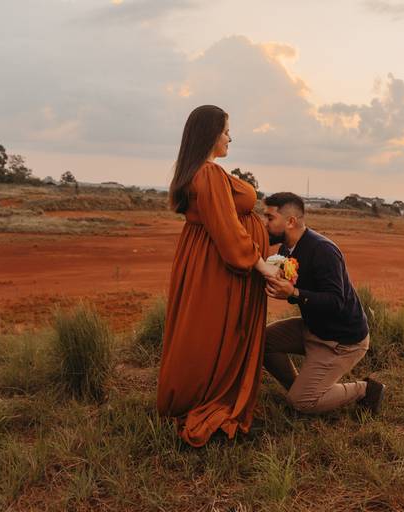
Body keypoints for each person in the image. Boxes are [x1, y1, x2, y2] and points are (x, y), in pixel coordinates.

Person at [157, 105, 281, 447]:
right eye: (227, 130)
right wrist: (261, 264)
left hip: (205, 260)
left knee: (205, 330)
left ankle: (193, 393)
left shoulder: (198, 171)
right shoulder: (209, 174)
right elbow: (226, 230)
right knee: (222, 334)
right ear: (211, 134)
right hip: (221, 268)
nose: (230, 137)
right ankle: (213, 402)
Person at [262, 192, 385, 414]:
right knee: (263, 341)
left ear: (290, 221)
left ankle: (365, 389)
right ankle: (302, 389)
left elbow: (336, 301)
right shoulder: (286, 250)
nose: (265, 224)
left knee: (301, 403)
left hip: (340, 340)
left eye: (269, 218)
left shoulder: (322, 250)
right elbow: (297, 290)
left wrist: (295, 292)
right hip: (313, 328)